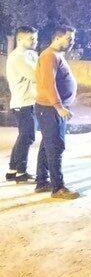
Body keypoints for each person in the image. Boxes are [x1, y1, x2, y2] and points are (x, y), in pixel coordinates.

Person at [34, 25, 79, 199]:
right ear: (58, 37)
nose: (72, 42)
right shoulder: (49, 56)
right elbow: (48, 84)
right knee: (55, 147)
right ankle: (57, 187)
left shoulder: (55, 55)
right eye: (69, 38)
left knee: (47, 146)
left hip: (49, 109)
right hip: (50, 109)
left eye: (73, 39)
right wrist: (59, 107)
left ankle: (42, 181)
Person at [5, 26, 39, 183]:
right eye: (31, 38)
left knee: (23, 136)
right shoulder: (17, 57)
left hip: (28, 102)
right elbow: (36, 75)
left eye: (35, 38)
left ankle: (12, 170)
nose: (35, 41)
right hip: (23, 103)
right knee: (27, 136)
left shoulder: (30, 54)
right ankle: (21, 171)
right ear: (19, 39)